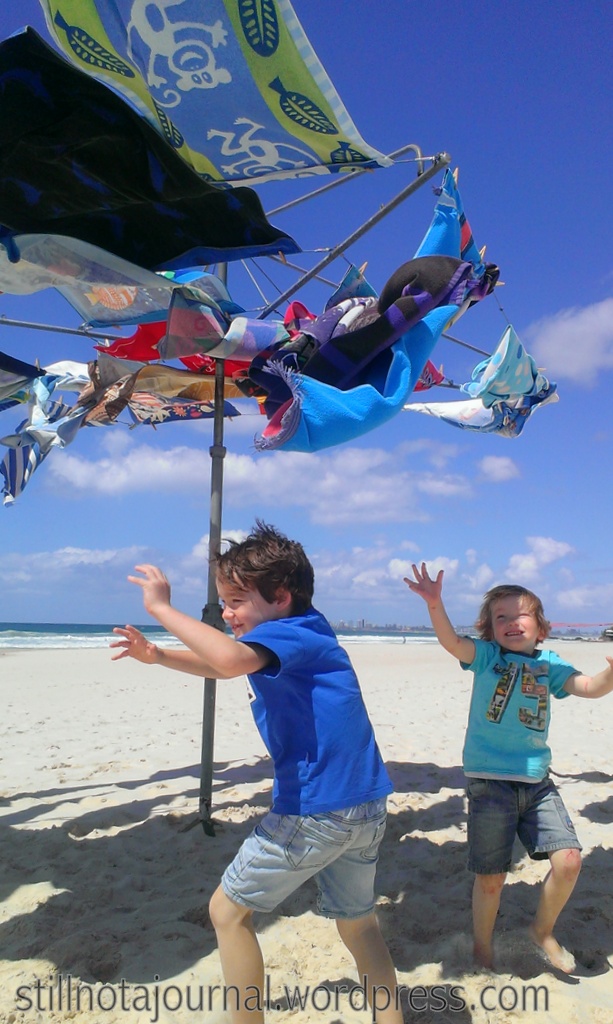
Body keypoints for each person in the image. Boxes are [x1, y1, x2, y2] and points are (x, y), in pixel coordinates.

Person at [112, 522, 402, 1024]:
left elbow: (226, 660)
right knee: (359, 925)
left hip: (316, 808)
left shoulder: (288, 633)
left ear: (281, 596)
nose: (226, 613)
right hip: (366, 804)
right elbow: (223, 665)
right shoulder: (310, 628)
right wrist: (158, 656)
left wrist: (161, 609)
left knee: (227, 912)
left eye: (235, 602)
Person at [405, 563, 613, 973]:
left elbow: (591, 687)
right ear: (490, 629)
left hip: (537, 783)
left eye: (521, 615)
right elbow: (451, 642)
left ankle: (542, 931)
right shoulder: (486, 658)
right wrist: (435, 604)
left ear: (541, 627)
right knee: (491, 878)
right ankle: (482, 946)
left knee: (569, 861)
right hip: (489, 784)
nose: (511, 622)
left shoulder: (550, 664)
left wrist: (611, 672)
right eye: (501, 617)